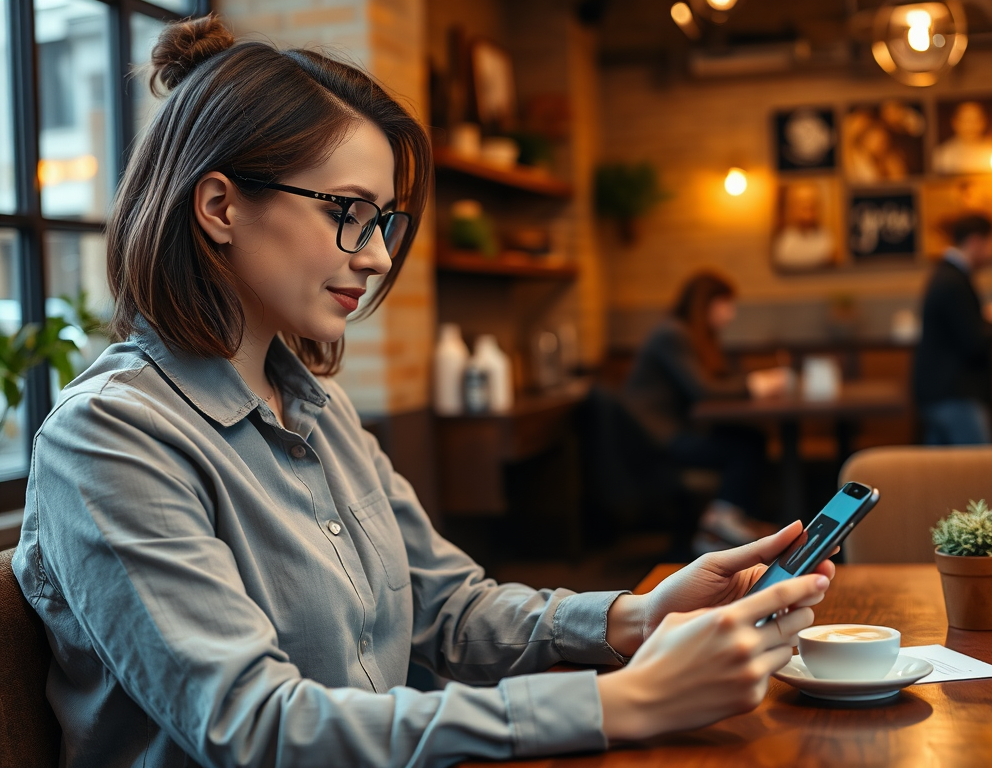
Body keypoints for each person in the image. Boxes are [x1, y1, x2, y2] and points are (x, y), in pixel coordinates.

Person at [11, 16, 834, 768]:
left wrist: (637, 616)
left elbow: (454, 611)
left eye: (385, 222)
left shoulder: (318, 408)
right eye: (349, 212)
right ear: (220, 204)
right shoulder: (111, 440)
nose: (373, 257)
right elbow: (256, 729)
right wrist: (625, 698)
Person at [623, 272, 791, 552]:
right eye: (726, 304)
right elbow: (704, 390)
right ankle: (717, 531)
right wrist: (755, 384)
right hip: (659, 439)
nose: (731, 313)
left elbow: (719, 380)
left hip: (678, 430)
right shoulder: (672, 334)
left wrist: (753, 381)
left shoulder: (694, 336)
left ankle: (736, 523)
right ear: (706, 304)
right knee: (743, 447)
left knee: (752, 439)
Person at [913, 213, 992, 444]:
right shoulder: (953, 280)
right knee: (978, 474)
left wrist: (981, 318)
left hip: (937, 392)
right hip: (955, 393)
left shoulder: (946, 275)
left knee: (941, 476)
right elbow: (973, 342)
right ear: (976, 242)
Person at [772, 181, 836, 271]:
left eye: (812, 203)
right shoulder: (785, 239)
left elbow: (829, 255)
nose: (807, 208)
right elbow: (784, 259)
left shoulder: (825, 236)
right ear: (792, 207)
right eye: (802, 203)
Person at [933, 101, 992, 175]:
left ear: (984, 122)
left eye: (975, 120)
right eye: (966, 121)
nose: (970, 126)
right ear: (955, 122)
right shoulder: (944, 154)